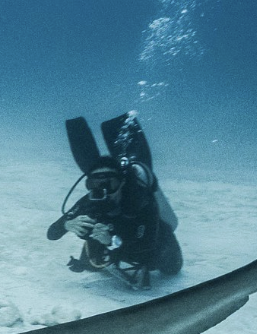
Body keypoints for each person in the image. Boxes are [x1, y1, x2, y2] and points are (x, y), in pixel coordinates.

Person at [47, 113, 181, 289]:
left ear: (122, 183)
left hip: (152, 241)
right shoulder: (89, 201)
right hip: (114, 241)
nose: (103, 191)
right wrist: (66, 224)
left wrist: (112, 241)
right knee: (92, 266)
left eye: (110, 183)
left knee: (172, 269)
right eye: (95, 183)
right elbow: (52, 234)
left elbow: (145, 251)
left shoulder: (140, 200)